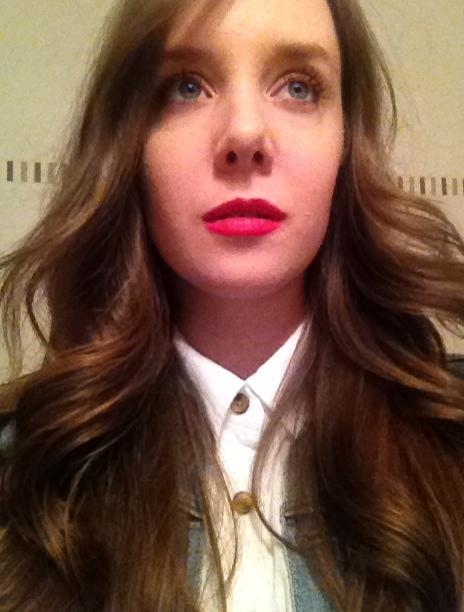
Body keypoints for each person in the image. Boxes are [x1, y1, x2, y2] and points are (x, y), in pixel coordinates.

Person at [0, 0, 463, 609]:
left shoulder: (449, 442)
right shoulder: (23, 467)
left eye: (298, 86)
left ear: (347, 146)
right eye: (186, 86)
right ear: (130, 143)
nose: (244, 135)